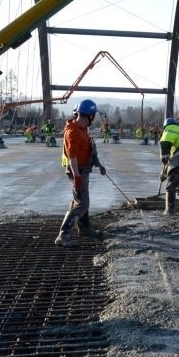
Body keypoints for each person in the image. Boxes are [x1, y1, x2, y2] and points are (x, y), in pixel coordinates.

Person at [55, 99, 107, 247]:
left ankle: (84, 229)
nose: (94, 117)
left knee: (83, 202)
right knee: (82, 204)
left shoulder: (82, 129)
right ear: (89, 115)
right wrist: (77, 176)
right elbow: (72, 156)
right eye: (93, 115)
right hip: (78, 171)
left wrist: (98, 164)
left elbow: (88, 149)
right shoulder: (74, 132)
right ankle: (63, 235)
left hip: (83, 170)